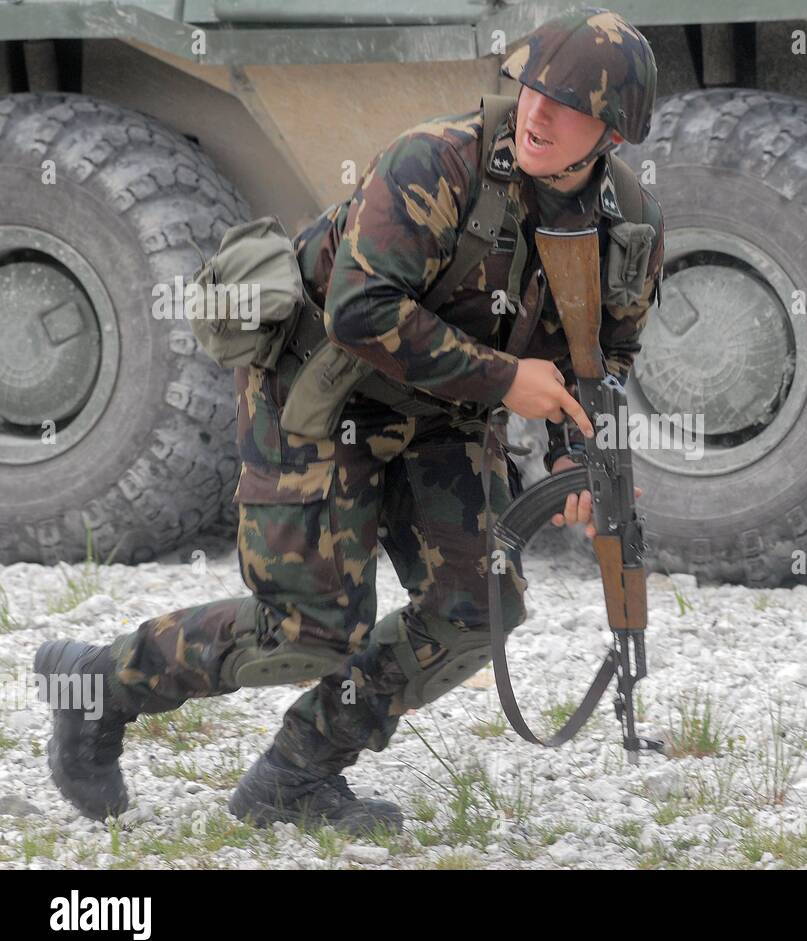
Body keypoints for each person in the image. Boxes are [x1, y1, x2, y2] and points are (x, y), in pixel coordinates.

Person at [32, 6, 663, 836]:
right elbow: (359, 313)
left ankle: (296, 776)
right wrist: (508, 379)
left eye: (568, 104)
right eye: (532, 88)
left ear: (611, 134)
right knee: (309, 632)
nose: (538, 113)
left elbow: (605, 359)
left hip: (443, 414)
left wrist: (579, 458)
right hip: (322, 392)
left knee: (480, 610)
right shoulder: (436, 162)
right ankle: (99, 683)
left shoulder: (626, 225)